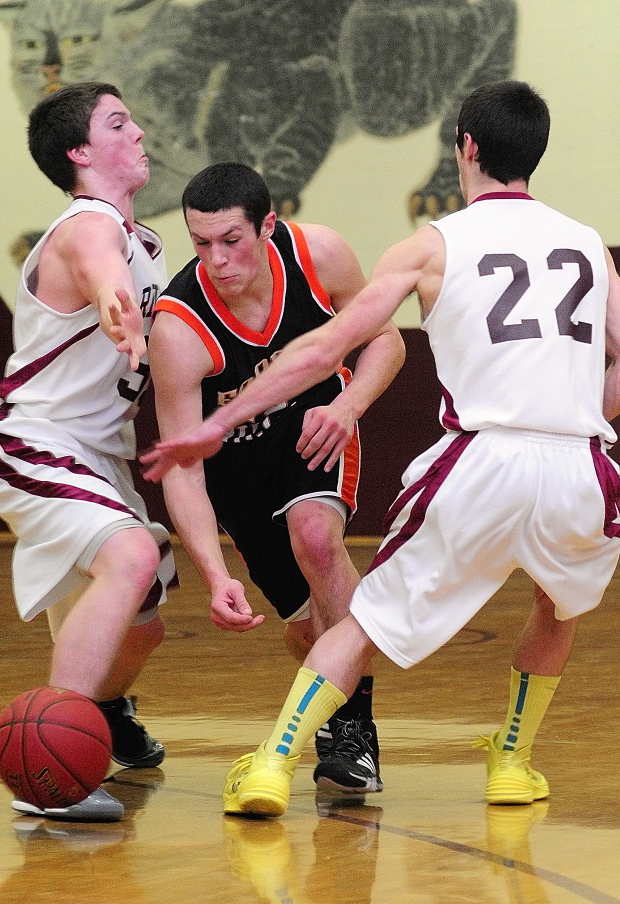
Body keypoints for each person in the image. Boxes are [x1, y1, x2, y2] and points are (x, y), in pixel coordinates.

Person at [142, 81, 620, 816]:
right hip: (581, 467)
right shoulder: (586, 242)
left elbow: (327, 349)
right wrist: (569, 416)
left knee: (362, 622)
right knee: (556, 606)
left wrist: (224, 420)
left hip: (484, 461)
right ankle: (511, 763)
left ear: (466, 149)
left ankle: (274, 762)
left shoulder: (431, 245)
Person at [147, 161, 405, 793]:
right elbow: (183, 470)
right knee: (305, 625)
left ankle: (351, 733)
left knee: (316, 539)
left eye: (231, 240)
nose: (218, 259)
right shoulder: (179, 327)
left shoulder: (320, 255)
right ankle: (332, 706)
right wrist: (213, 573)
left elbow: (388, 343)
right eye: (201, 244)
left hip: (315, 427)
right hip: (236, 470)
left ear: (267, 225)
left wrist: (347, 407)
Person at [0, 82, 177, 822]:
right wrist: (121, 315)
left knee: (145, 610)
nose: (141, 130)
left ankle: (103, 710)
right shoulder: (88, 224)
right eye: (120, 122)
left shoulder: (143, 240)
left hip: (101, 457)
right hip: (36, 440)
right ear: (80, 153)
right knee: (131, 559)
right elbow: (103, 274)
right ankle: (49, 773)